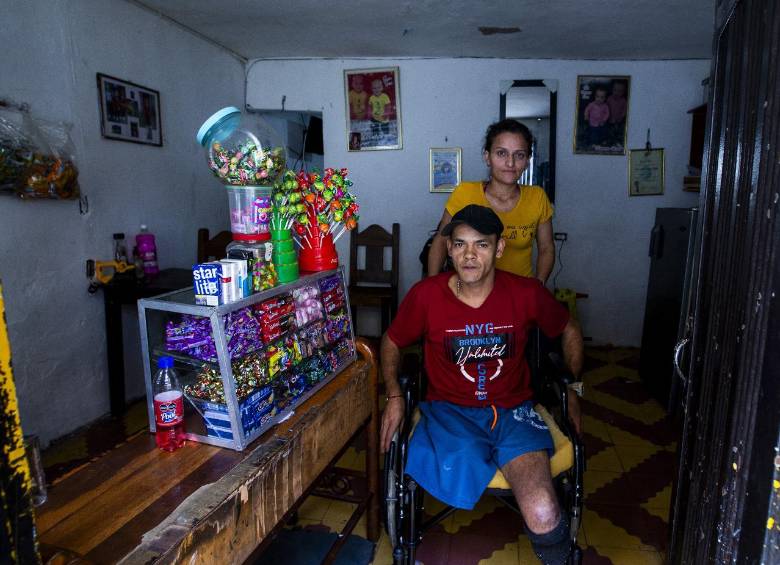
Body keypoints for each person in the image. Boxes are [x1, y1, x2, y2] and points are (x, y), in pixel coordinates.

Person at [381, 205, 584, 565]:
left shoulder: (525, 293)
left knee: (542, 509)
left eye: (481, 245)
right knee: (442, 463)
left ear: (500, 248)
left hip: (513, 412)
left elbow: (568, 328)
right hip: (448, 412)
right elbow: (392, 341)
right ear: (449, 249)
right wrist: (395, 395)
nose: (469, 255)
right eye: (459, 245)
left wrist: (573, 388)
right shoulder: (426, 295)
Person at [427, 119, 555, 282]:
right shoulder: (465, 193)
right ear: (487, 157)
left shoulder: (537, 197)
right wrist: (431, 287)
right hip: (468, 290)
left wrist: (538, 287)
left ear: (528, 160)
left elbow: (546, 248)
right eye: (501, 153)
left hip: (518, 294)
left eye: (519, 155)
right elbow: (441, 240)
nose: (510, 163)